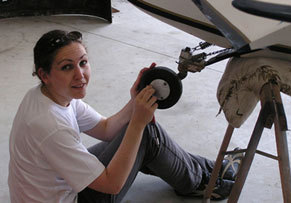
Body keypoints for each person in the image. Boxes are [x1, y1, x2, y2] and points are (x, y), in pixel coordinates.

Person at [8, 30, 242, 203]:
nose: (80, 75)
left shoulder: (48, 95)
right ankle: (201, 180)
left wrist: (134, 101)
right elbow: (112, 184)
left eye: (83, 63)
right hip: (74, 198)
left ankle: (204, 171)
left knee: (143, 131)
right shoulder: (50, 125)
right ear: (44, 74)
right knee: (145, 133)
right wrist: (138, 123)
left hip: (61, 184)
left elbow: (106, 128)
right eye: (67, 67)